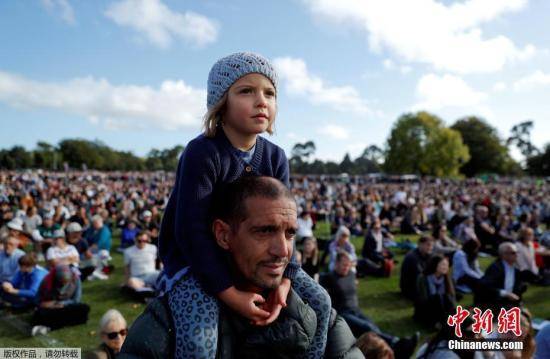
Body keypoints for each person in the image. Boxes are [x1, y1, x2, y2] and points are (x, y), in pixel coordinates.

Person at [155, 52, 331, 358]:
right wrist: (230, 294)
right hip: (197, 263)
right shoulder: (202, 153)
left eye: (270, 93)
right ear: (221, 102)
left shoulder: (276, 157)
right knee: (199, 342)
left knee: (320, 303)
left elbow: (285, 228)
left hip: (258, 260)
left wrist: (285, 281)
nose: (261, 101)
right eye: (246, 91)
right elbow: (190, 231)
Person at [121, 177, 362, 358]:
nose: (283, 250)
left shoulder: (317, 312)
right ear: (224, 235)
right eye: (265, 231)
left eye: (289, 233)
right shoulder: (169, 323)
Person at [321, 251, 418, 359]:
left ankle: (394, 348)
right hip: (343, 313)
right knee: (367, 327)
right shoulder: (329, 277)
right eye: (344, 265)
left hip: (355, 310)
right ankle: (397, 342)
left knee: (373, 326)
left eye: (348, 265)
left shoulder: (351, 274)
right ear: (336, 264)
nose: (346, 267)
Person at [31, 264, 90, 335]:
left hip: (65, 306)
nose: (64, 284)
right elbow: (36, 300)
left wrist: (62, 303)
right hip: (50, 308)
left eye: (66, 282)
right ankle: (50, 326)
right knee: (41, 313)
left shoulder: (76, 279)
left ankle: (49, 326)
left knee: (84, 308)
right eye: (62, 282)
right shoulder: (46, 281)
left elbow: (76, 300)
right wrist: (45, 304)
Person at [475, 242, 527, 312]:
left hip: (509, 303)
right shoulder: (496, 268)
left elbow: (518, 290)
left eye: (517, 252)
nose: (516, 255)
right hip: (493, 302)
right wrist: (504, 293)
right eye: (513, 253)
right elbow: (485, 286)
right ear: (504, 255)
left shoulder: (516, 269)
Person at [414, 255, 456, 329]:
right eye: (443, 264)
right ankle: (440, 322)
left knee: (447, 297)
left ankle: (449, 320)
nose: (446, 267)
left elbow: (452, 298)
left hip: (443, 308)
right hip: (427, 308)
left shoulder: (447, 279)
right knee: (437, 297)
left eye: (447, 265)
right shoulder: (423, 278)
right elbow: (423, 299)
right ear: (435, 265)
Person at [400, 236, 434, 300]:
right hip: (410, 288)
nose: (430, 248)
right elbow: (420, 276)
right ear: (420, 245)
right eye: (428, 245)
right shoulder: (412, 257)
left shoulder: (428, 255)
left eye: (432, 246)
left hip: (419, 284)